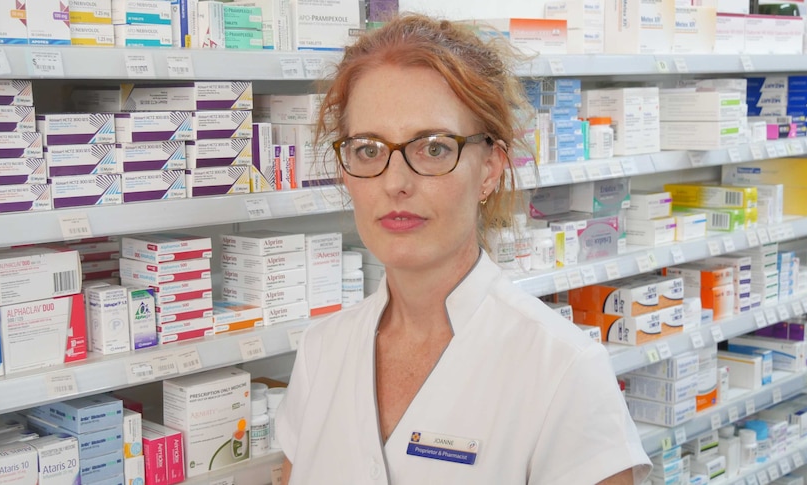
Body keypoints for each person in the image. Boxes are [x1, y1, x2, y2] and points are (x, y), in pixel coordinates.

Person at [277, 13, 651, 484]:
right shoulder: (321, 352)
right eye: (369, 149)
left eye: (433, 148)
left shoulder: (563, 370)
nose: (395, 183)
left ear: (490, 170)